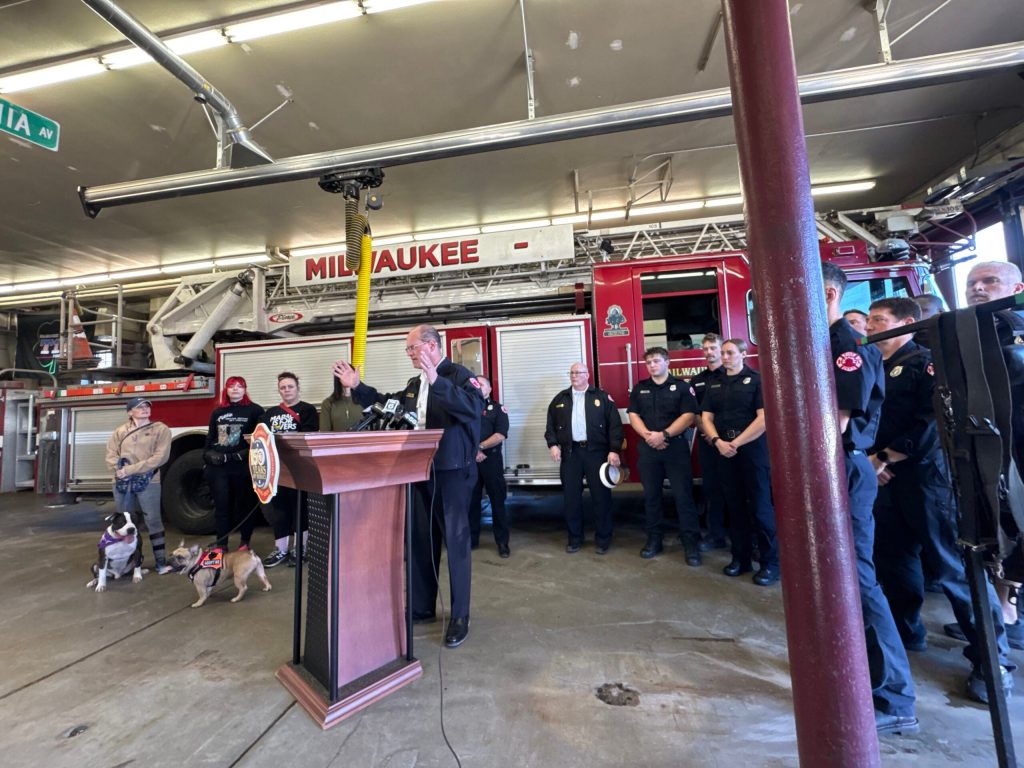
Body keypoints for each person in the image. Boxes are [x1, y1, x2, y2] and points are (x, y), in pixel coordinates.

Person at [866, 297, 1014, 704]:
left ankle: (992, 661)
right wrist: (875, 465)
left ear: (907, 324)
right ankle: (907, 632)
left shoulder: (925, 363)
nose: (871, 329)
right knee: (894, 563)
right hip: (886, 482)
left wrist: (883, 458)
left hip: (927, 480)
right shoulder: (876, 366)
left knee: (954, 570)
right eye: (871, 322)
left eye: (879, 321)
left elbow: (931, 423)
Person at [333, 324, 482, 649]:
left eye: (412, 348)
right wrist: (358, 387)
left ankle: (459, 616)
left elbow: (473, 409)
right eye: (409, 350)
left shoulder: (458, 376)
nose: (409, 354)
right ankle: (421, 607)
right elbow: (391, 403)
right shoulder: (414, 384)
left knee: (456, 544)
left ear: (430, 346)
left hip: (452, 473)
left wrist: (436, 381)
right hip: (419, 471)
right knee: (420, 541)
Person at [822, 261, 918, 735]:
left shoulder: (846, 344)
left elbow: (836, 424)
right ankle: (861, 678)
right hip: (843, 465)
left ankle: (894, 697)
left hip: (840, 465)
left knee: (858, 577)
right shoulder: (837, 341)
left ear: (826, 294)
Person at [955, 260, 1024, 652]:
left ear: (1017, 286)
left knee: (1014, 523)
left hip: (1016, 445)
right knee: (995, 525)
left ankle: (1007, 612)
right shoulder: (972, 333)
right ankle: (999, 611)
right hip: (984, 446)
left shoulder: (1013, 331)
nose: (978, 288)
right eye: (973, 283)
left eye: (990, 281)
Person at [700, 339, 778, 585]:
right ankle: (740, 559)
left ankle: (770, 564)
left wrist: (737, 443)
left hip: (752, 451)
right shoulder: (714, 383)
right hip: (724, 451)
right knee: (734, 507)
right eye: (722, 353)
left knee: (761, 508)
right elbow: (706, 417)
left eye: (730, 352)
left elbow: (763, 419)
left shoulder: (756, 381)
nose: (724, 357)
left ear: (743, 354)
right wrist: (717, 441)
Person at [627, 346, 702, 564]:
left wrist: (665, 435)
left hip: (675, 449)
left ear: (667, 362)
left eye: (656, 361)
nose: (652, 365)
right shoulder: (640, 389)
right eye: (648, 362)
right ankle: (654, 540)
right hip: (649, 449)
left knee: (683, 497)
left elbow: (689, 416)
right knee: (651, 498)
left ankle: (691, 545)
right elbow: (633, 415)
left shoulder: (681, 388)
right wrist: (650, 437)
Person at [545, 362, 623, 555]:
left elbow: (615, 426)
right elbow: (550, 426)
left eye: (578, 372)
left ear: (587, 374)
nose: (574, 376)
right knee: (571, 499)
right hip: (571, 454)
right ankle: (574, 539)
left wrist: (614, 450)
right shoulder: (560, 399)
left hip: (596, 453)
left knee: (601, 497)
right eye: (571, 372)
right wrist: (553, 444)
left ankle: (603, 539)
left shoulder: (601, 397)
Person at [105, 397, 173, 574]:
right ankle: (128, 564)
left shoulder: (161, 430)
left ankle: (160, 563)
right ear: (130, 412)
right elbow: (111, 454)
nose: (144, 409)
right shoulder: (120, 431)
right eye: (139, 407)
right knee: (124, 522)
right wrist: (118, 470)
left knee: (153, 520)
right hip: (122, 482)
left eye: (147, 406)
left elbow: (160, 457)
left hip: (149, 480)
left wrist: (131, 470)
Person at [259, 372, 320, 568]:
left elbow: (309, 435)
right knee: (279, 510)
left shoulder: (308, 410)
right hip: (277, 468)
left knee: (300, 508)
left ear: (297, 388)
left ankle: (300, 548)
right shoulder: (269, 414)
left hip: (299, 468)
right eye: (283, 387)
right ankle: (281, 549)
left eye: (290, 386)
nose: (287, 390)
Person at [204, 376, 264, 551]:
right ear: (226, 390)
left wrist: (241, 455)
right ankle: (221, 544)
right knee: (222, 507)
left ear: (245, 390)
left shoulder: (255, 410)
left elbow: (260, 440)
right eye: (232, 386)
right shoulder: (217, 412)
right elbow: (210, 439)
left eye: (240, 386)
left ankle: (245, 542)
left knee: (244, 506)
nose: (236, 389)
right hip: (220, 469)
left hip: (243, 467)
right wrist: (208, 456)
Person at [690, 333, 728, 551]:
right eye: (705, 349)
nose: (709, 352)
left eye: (713, 347)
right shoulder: (697, 380)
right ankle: (715, 535)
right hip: (709, 443)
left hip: (734, 443)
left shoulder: (733, 374)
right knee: (712, 489)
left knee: (740, 488)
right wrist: (710, 435)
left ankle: (747, 537)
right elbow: (696, 413)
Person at [469, 375, 511, 558]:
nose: (478, 387)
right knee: (471, 503)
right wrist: (473, 451)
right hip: (471, 461)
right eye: (475, 384)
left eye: (481, 384)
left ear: (489, 389)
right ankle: (471, 540)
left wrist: (480, 447)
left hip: (491, 461)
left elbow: (501, 434)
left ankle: (502, 542)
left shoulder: (498, 409)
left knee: (497, 502)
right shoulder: (466, 407)